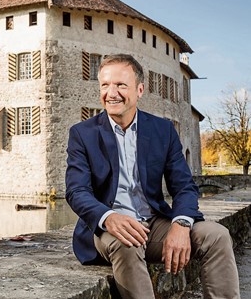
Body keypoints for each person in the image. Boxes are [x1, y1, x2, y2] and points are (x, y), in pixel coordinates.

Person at [65, 54, 240, 299]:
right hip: (107, 230)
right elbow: (76, 191)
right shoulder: (82, 134)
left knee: (217, 236)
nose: (111, 93)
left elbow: (185, 186)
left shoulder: (162, 130)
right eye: (105, 85)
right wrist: (109, 217)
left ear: (140, 90)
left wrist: (181, 224)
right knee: (127, 243)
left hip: (153, 224)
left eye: (120, 85)